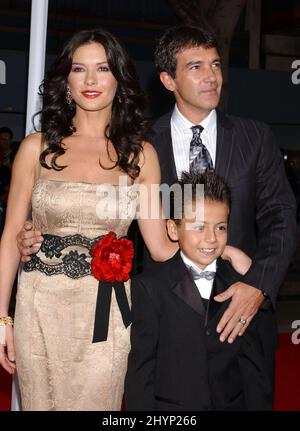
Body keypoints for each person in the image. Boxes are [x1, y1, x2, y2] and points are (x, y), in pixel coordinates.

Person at [0, 28, 178, 411]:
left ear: (120, 79)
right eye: (80, 69)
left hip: (106, 314)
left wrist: (218, 242)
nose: (92, 80)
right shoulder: (36, 148)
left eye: (103, 68)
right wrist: (2, 318)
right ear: (66, 81)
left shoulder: (141, 156)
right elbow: (11, 236)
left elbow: (161, 248)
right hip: (39, 309)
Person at [149, 25, 296, 350]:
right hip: (164, 318)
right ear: (168, 80)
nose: (211, 75)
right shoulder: (141, 143)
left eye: (215, 64)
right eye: (195, 66)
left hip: (243, 312)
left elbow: (281, 217)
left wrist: (258, 286)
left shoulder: (255, 138)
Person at [125, 171, 278, 411]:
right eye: (199, 227)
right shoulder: (150, 287)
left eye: (220, 228)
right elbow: (141, 369)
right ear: (173, 230)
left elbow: (256, 365)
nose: (211, 238)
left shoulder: (242, 288)